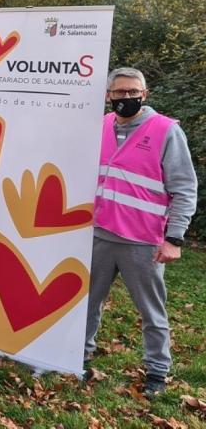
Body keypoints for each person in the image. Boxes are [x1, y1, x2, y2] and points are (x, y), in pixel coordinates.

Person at [85, 67, 198, 399]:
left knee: (151, 310)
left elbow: (185, 188)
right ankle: (81, 355)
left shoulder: (165, 131)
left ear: (144, 94)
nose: (126, 98)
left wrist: (174, 238)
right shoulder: (101, 125)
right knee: (88, 303)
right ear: (108, 96)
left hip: (142, 241)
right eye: (119, 93)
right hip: (101, 234)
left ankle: (157, 372)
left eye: (133, 92)